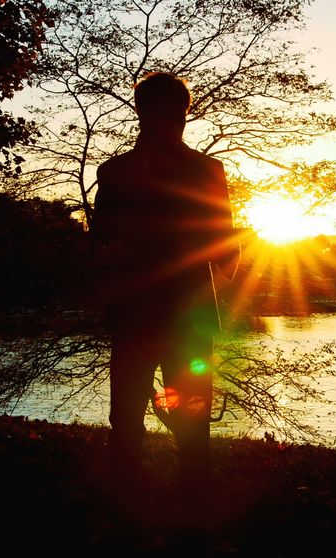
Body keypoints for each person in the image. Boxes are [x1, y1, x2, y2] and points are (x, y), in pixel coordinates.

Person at [93, 72, 239, 493]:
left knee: (126, 408)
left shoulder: (115, 170)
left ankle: (124, 489)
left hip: (136, 306)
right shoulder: (208, 169)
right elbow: (221, 236)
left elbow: (102, 234)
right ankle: (192, 493)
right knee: (189, 409)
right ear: (184, 112)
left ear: (138, 111)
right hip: (189, 309)